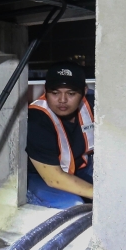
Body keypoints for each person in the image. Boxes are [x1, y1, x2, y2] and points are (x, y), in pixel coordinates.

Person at [26, 62, 95, 209]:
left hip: (80, 167)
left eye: (71, 93)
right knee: (73, 206)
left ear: (84, 92)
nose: (62, 100)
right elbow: (54, 178)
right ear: (45, 91)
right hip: (41, 177)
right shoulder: (36, 119)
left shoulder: (95, 105)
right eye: (55, 92)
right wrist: (100, 195)